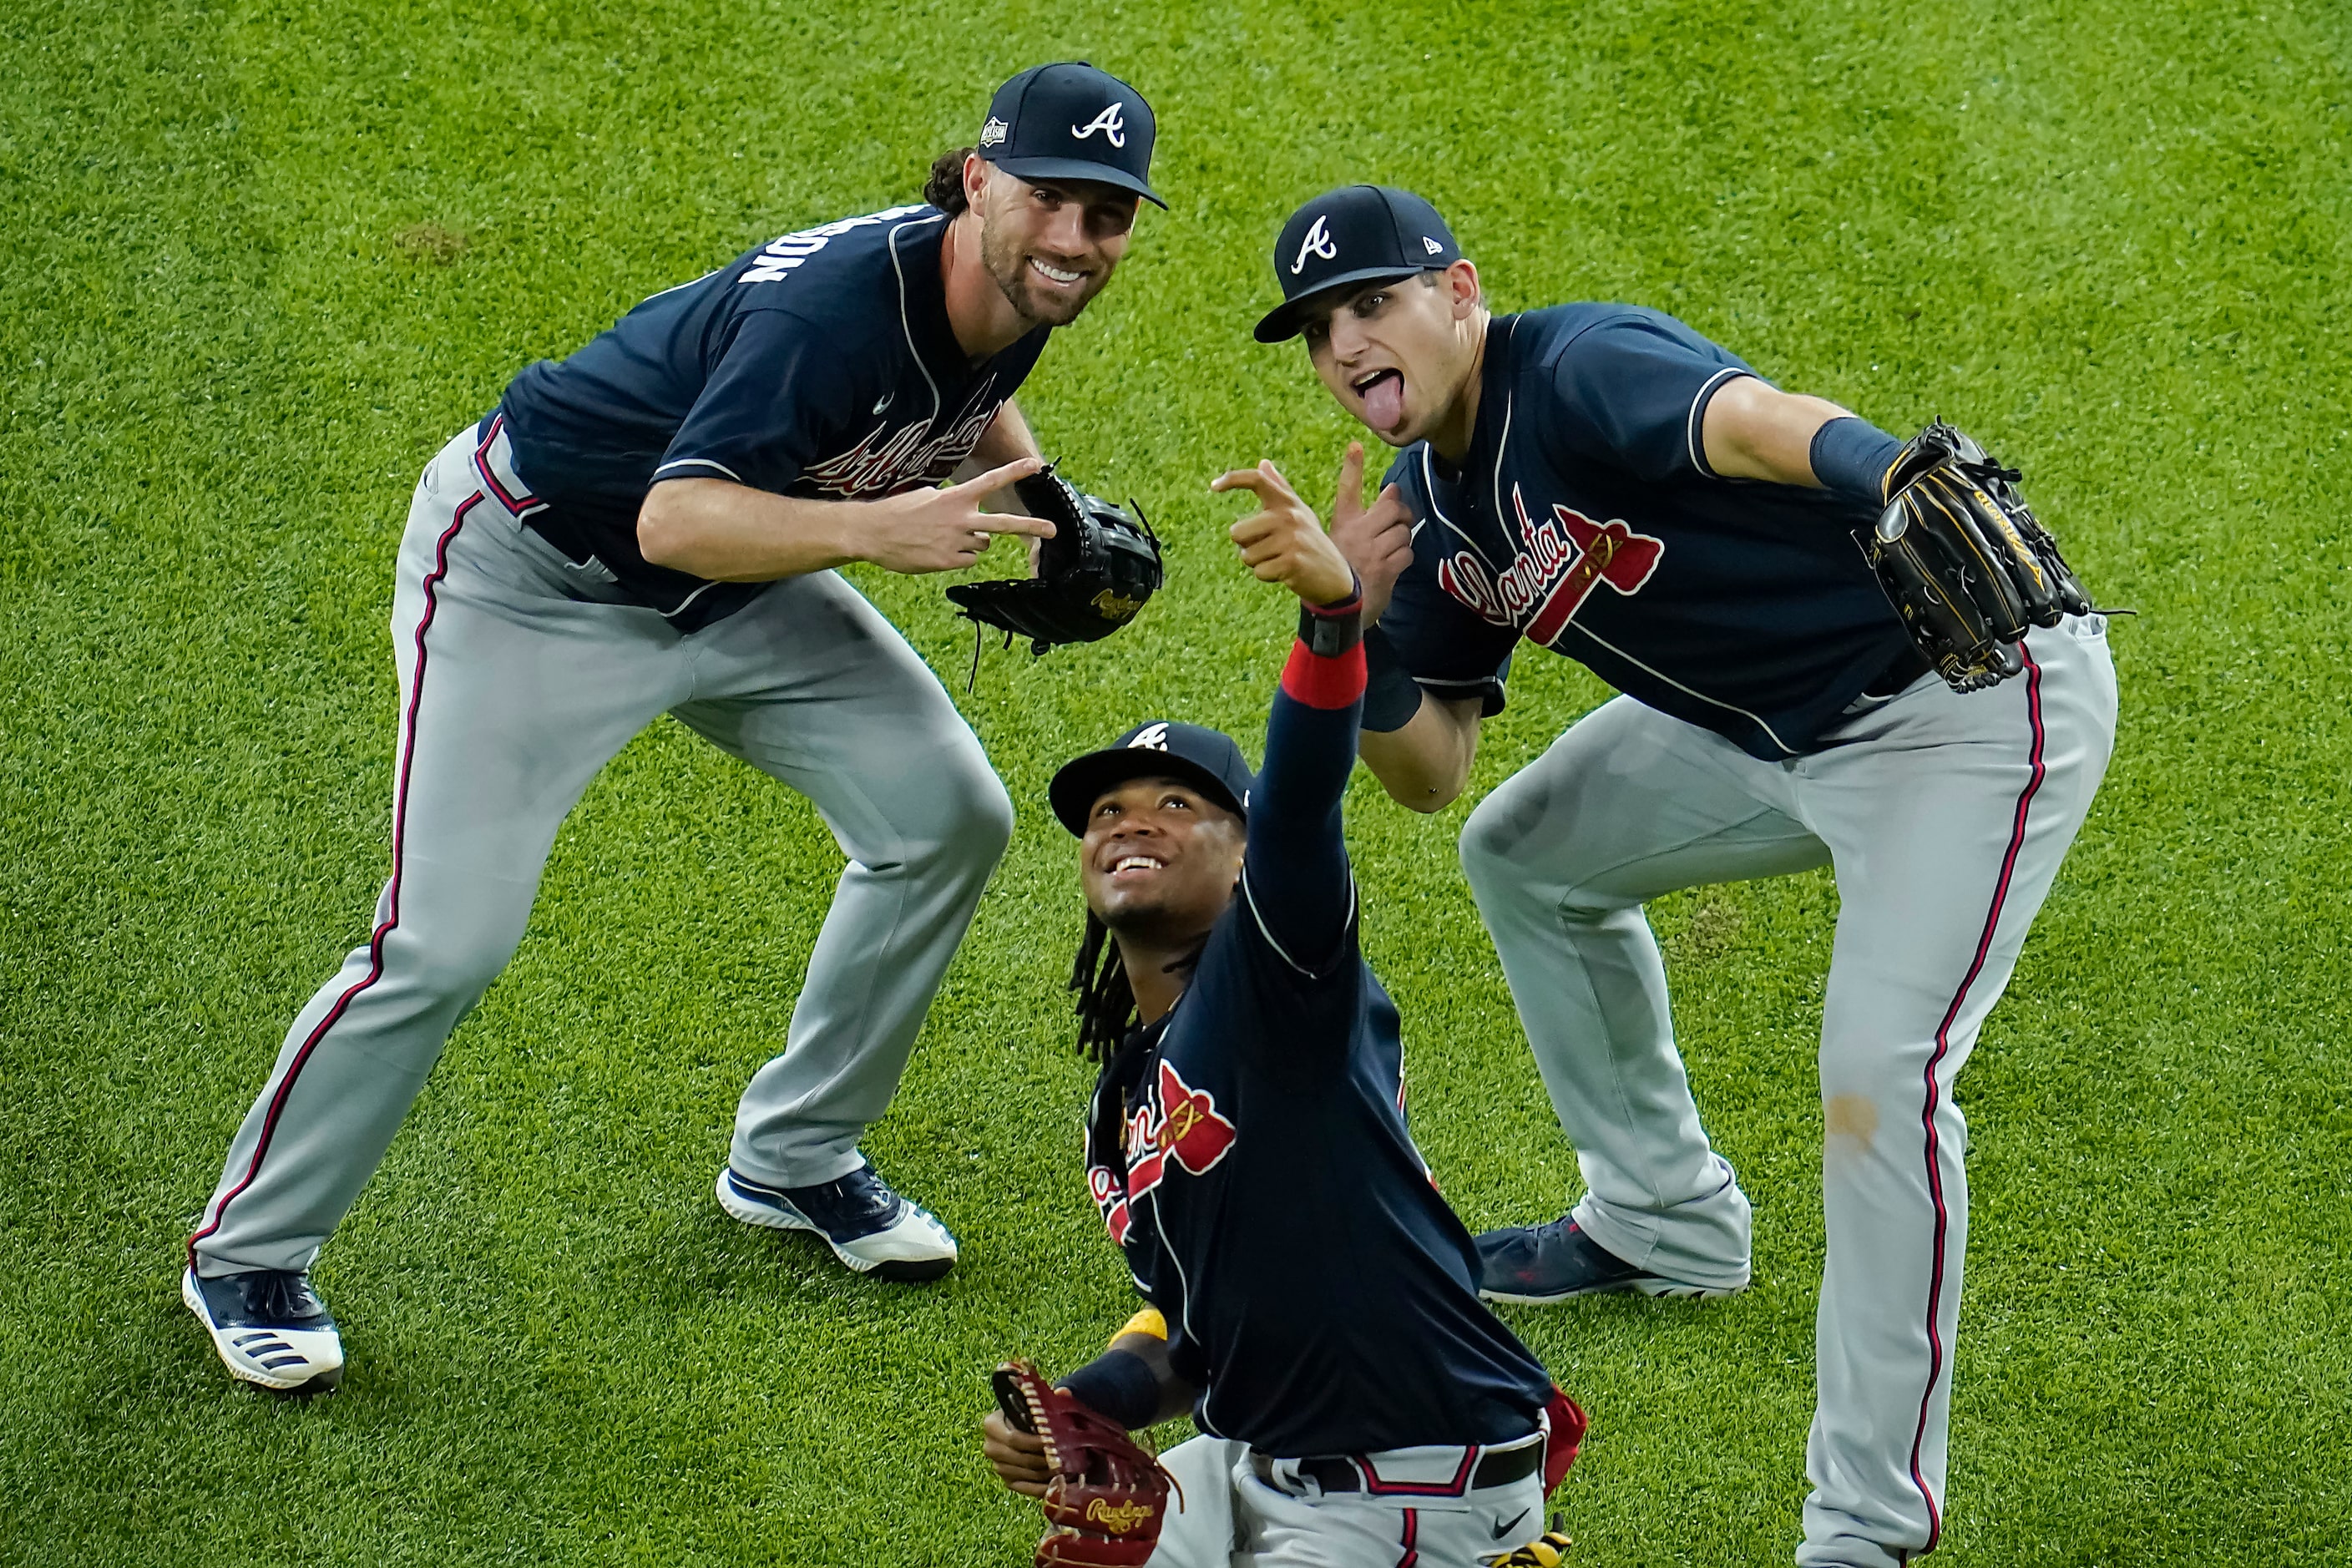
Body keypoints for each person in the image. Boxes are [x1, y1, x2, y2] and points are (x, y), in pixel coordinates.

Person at [182, 62, 1164, 1395]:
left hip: (740, 586)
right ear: (977, 181)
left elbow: (962, 390)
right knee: (443, 941)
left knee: (946, 816)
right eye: (1051, 201)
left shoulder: (1013, 284)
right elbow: (672, 516)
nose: (1075, 243)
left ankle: (796, 1154)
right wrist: (881, 531)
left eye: (1105, 218)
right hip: (536, 580)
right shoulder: (832, 317)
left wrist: (1039, 490)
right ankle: (245, 1251)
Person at [1244, 185, 2117, 1568]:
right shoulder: (1424, 511)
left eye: (1369, 303)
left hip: (1959, 708)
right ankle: (1663, 1217)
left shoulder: (1578, 365)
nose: (1343, 346)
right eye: (1314, 330)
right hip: (1762, 731)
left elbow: (1751, 418)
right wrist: (1343, 617)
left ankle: (1864, 1524)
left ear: (1457, 291)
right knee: (1521, 851)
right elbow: (1428, 770)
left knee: (1879, 1083)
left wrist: (1883, 468)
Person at [978, 468, 1582, 1565]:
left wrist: (1331, 615)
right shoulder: (1123, 1109)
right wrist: (1087, 1404)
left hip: (1406, 1481)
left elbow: (1302, 794)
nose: (1130, 823)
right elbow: (1191, 1328)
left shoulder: (1284, 977)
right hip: (1251, 1459)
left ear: (1246, 852)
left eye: (1178, 805)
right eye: (1106, 809)